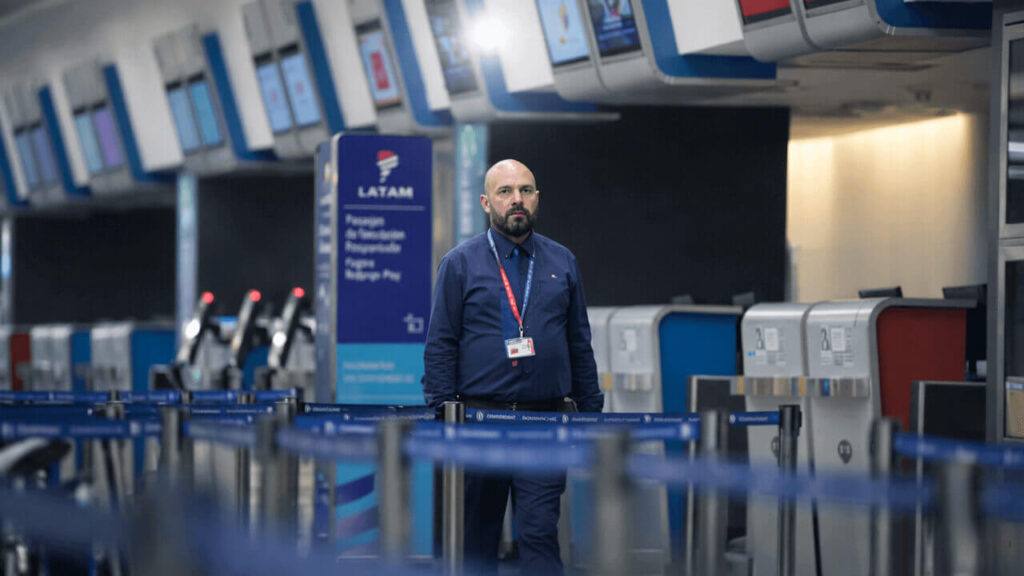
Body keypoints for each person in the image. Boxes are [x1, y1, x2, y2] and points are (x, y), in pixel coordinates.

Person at [423, 159, 603, 575]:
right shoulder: (460, 264)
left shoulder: (562, 261)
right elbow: (440, 345)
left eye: (525, 190)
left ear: (537, 199)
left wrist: (591, 418)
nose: (516, 199)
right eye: (505, 192)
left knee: (539, 535)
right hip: (477, 422)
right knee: (475, 541)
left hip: (545, 421)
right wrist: (443, 414)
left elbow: (579, 343)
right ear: (487, 203)